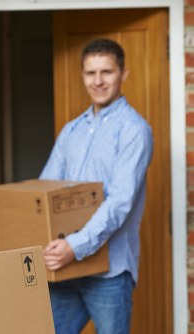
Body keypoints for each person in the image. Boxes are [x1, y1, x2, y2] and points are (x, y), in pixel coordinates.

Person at [40, 38, 153, 334]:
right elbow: (44, 190)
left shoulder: (134, 130)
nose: (98, 81)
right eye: (91, 73)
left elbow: (119, 203)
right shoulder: (72, 130)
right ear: (82, 75)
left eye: (107, 72)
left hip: (110, 272)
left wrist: (73, 247)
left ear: (123, 74)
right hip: (65, 269)